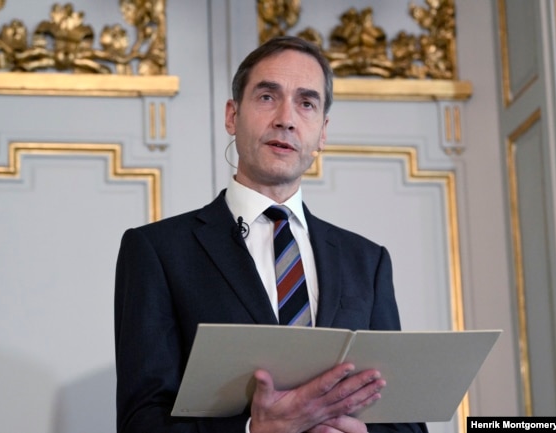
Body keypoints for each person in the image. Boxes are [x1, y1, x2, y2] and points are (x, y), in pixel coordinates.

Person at [114, 35, 428, 433]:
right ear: (232, 115)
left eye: (307, 103)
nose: (286, 118)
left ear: (322, 131)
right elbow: (141, 422)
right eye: (267, 97)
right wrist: (254, 431)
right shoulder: (158, 251)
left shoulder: (367, 261)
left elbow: (403, 420)